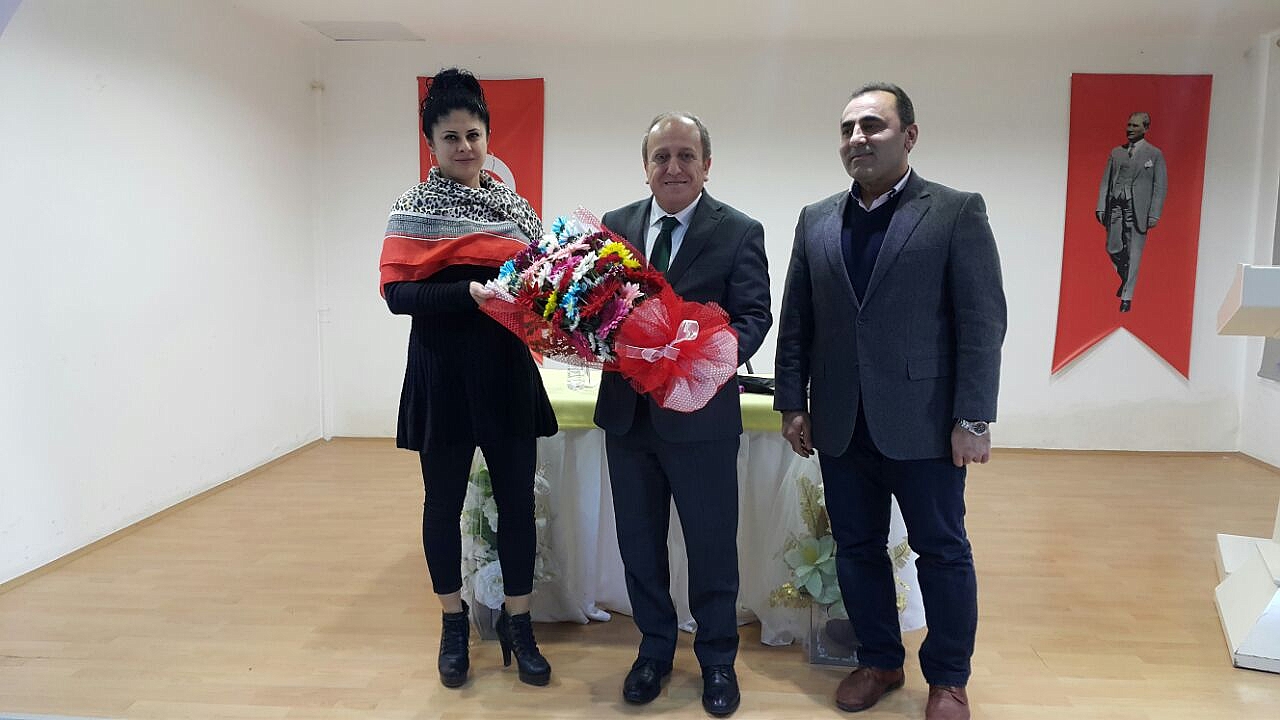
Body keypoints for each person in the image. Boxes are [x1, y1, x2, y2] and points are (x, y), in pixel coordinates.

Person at [774, 83, 1006, 720]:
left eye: (873, 125)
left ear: (909, 136)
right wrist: (793, 403)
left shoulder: (954, 212)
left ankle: (949, 678)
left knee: (942, 550)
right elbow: (797, 321)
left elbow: (982, 322)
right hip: (841, 422)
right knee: (857, 548)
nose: (858, 138)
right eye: (847, 128)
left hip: (926, 423)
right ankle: (878, 659)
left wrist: (973, 418)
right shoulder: (816, 219)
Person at [379, 68, 556, 689]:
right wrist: (467, 294)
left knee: (517, 504)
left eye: (473, 134)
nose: (464, 146)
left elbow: (540, 287)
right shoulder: (412, 209)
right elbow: (397, 295)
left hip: (506, 371)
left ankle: (518, 623)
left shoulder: (516, 210)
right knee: (443, 504)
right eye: (450, 136)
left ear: (487, 138)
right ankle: (453, 623)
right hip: (442, 375)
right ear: (431, 143)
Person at [595, 112, 771, 716]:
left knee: (711, 545)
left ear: (706, 165)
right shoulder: (613, 227)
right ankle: (654, 651)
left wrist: (697, 358)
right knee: (639, 545)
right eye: (661, 156)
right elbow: (595, 311)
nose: (673, 167)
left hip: (702, 421)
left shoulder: (740, 231)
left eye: (686, 156)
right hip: (628, 418)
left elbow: (753, 317)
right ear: (645, 166)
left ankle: (718, 659)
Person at [1095, 111, 1167, 312]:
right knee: (1113, 247)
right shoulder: (1116, 153)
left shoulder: (1154, 154)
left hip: (1138, 211)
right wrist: (1101, 206)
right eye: (1128, 125)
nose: (1130, 129)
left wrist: (1154, 213)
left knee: (1134, 254)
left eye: (1135, 126)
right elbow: (1105, 182)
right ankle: (1125, 276)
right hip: (1116, 206)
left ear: (1146, 128)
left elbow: (1160, 186)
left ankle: (1127, 297)